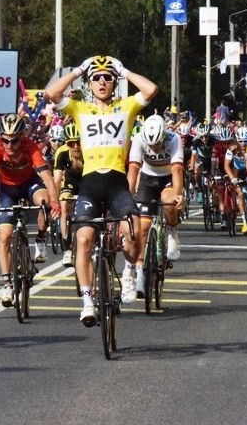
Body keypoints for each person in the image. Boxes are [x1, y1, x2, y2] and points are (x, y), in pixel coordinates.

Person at [44, 55, 158, 327]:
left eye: (108, 77)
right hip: (91, 184)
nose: (103, 81)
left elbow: (151, 90)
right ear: (89, 83)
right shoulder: (80, 109)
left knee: (132, 230)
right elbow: (51, 93)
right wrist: (80, 70)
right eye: (97, 78)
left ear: (114, 82)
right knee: (83, 239)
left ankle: (129, 271)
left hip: (117, 182)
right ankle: (87, 301)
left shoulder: (126, 107)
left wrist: (124, 69)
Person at [0, 114, 60, 307]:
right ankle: (7, 283)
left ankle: (41, 237)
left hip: (29, 183)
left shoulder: (30, 147)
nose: (9, 145)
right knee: (5, 236)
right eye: (5, 140)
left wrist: (55, 202)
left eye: (14, 141)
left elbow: (47, 177)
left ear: (22, 137)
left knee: (44, 200)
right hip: (6, 189)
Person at [127, 114, 185, 293]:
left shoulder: (174, 138)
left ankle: (172, 232)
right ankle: (140, 273)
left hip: (167, 176)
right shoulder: (138, 138)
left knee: (169, 202)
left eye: (158, 144)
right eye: (151, 145)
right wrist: (128, 194)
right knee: (142, 227)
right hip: (147, 177)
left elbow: (177, 170)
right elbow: (134, 168)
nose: (155, 148)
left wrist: (178, 195)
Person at [52, 122, 83, 267]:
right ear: (67, 143)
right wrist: (55, 201)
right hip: (70, 182)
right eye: (71, 143)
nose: (76, 147)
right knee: (65, 206)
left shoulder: (90, 151)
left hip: (88, 180)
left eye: (78, 142)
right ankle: (67, 248)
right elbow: (57, 180)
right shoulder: (62, 153)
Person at [224, 125, 247, 239]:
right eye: (240, 141)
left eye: (245, 141)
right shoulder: (232, 148)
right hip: (237, 170)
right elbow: (226, 165)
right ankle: (245, 222)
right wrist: (232, 178)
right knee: (240, 194)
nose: (243, 144)